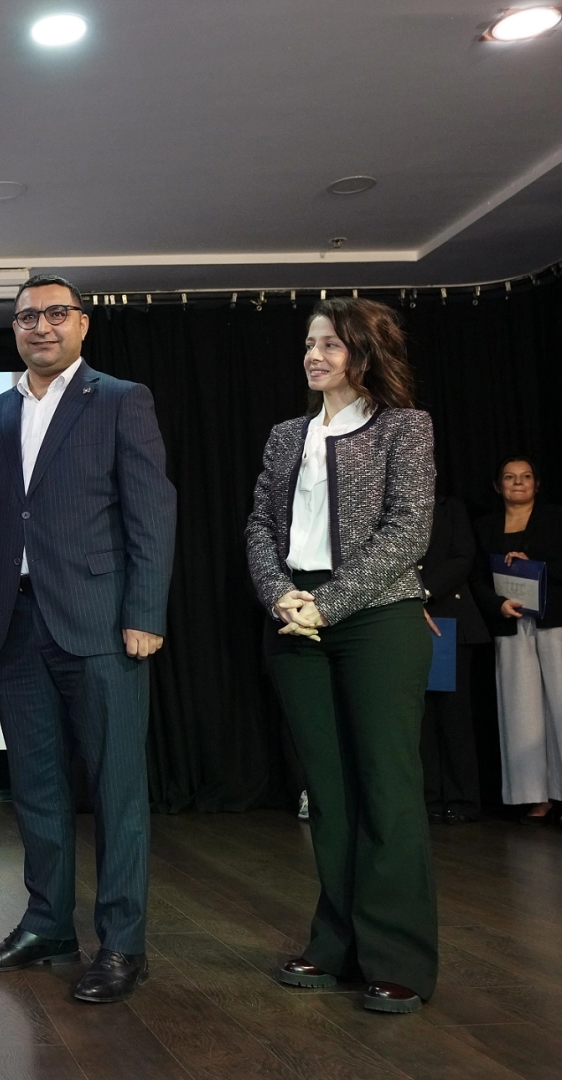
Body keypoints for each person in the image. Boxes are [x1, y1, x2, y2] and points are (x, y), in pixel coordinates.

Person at [0, 274, 176, 1003]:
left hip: (103, 624)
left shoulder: (120, 399)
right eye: (28, 317)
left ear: (82, 324)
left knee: (117, 792)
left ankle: (121, 944)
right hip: (16, 626)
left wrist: (145, 613)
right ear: (14, 330)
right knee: (37, 787)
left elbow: (152, 514)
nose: (42, 326)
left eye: (57, 314)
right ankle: (48, 926)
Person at [245, 297, 437, 1014]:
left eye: (330, 343)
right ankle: (337, 945)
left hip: (377, 618)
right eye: (309, 343)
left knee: (386, 787)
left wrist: (329, 603)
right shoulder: (285, 436)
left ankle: (399, 958)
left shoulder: (404, 427)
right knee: (328, 794)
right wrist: (281, 596)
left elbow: (408, 531)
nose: (314, 355)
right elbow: (260, 526)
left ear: (364, 352)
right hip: (296, 617)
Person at [470, 456, 562, 822]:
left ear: (537, 484)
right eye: (509, 477)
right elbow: (476, 578)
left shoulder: (555, 518)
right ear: (498, 486)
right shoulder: (484, 527)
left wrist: (535, 565)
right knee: (520, 710)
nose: (518, 482)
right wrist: (498, 604)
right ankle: (535, 796)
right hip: (510, 621)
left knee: (560, 704)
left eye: (525, 477)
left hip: (554, 619)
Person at [418, 495, 486, 824]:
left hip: (450, 621)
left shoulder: (451, 508)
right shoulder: (388, 504)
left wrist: (423, 593)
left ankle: (462, 799)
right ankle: (427, 798)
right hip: (405, 619)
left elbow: (463, 557)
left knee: (454, 717)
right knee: (421, 718)